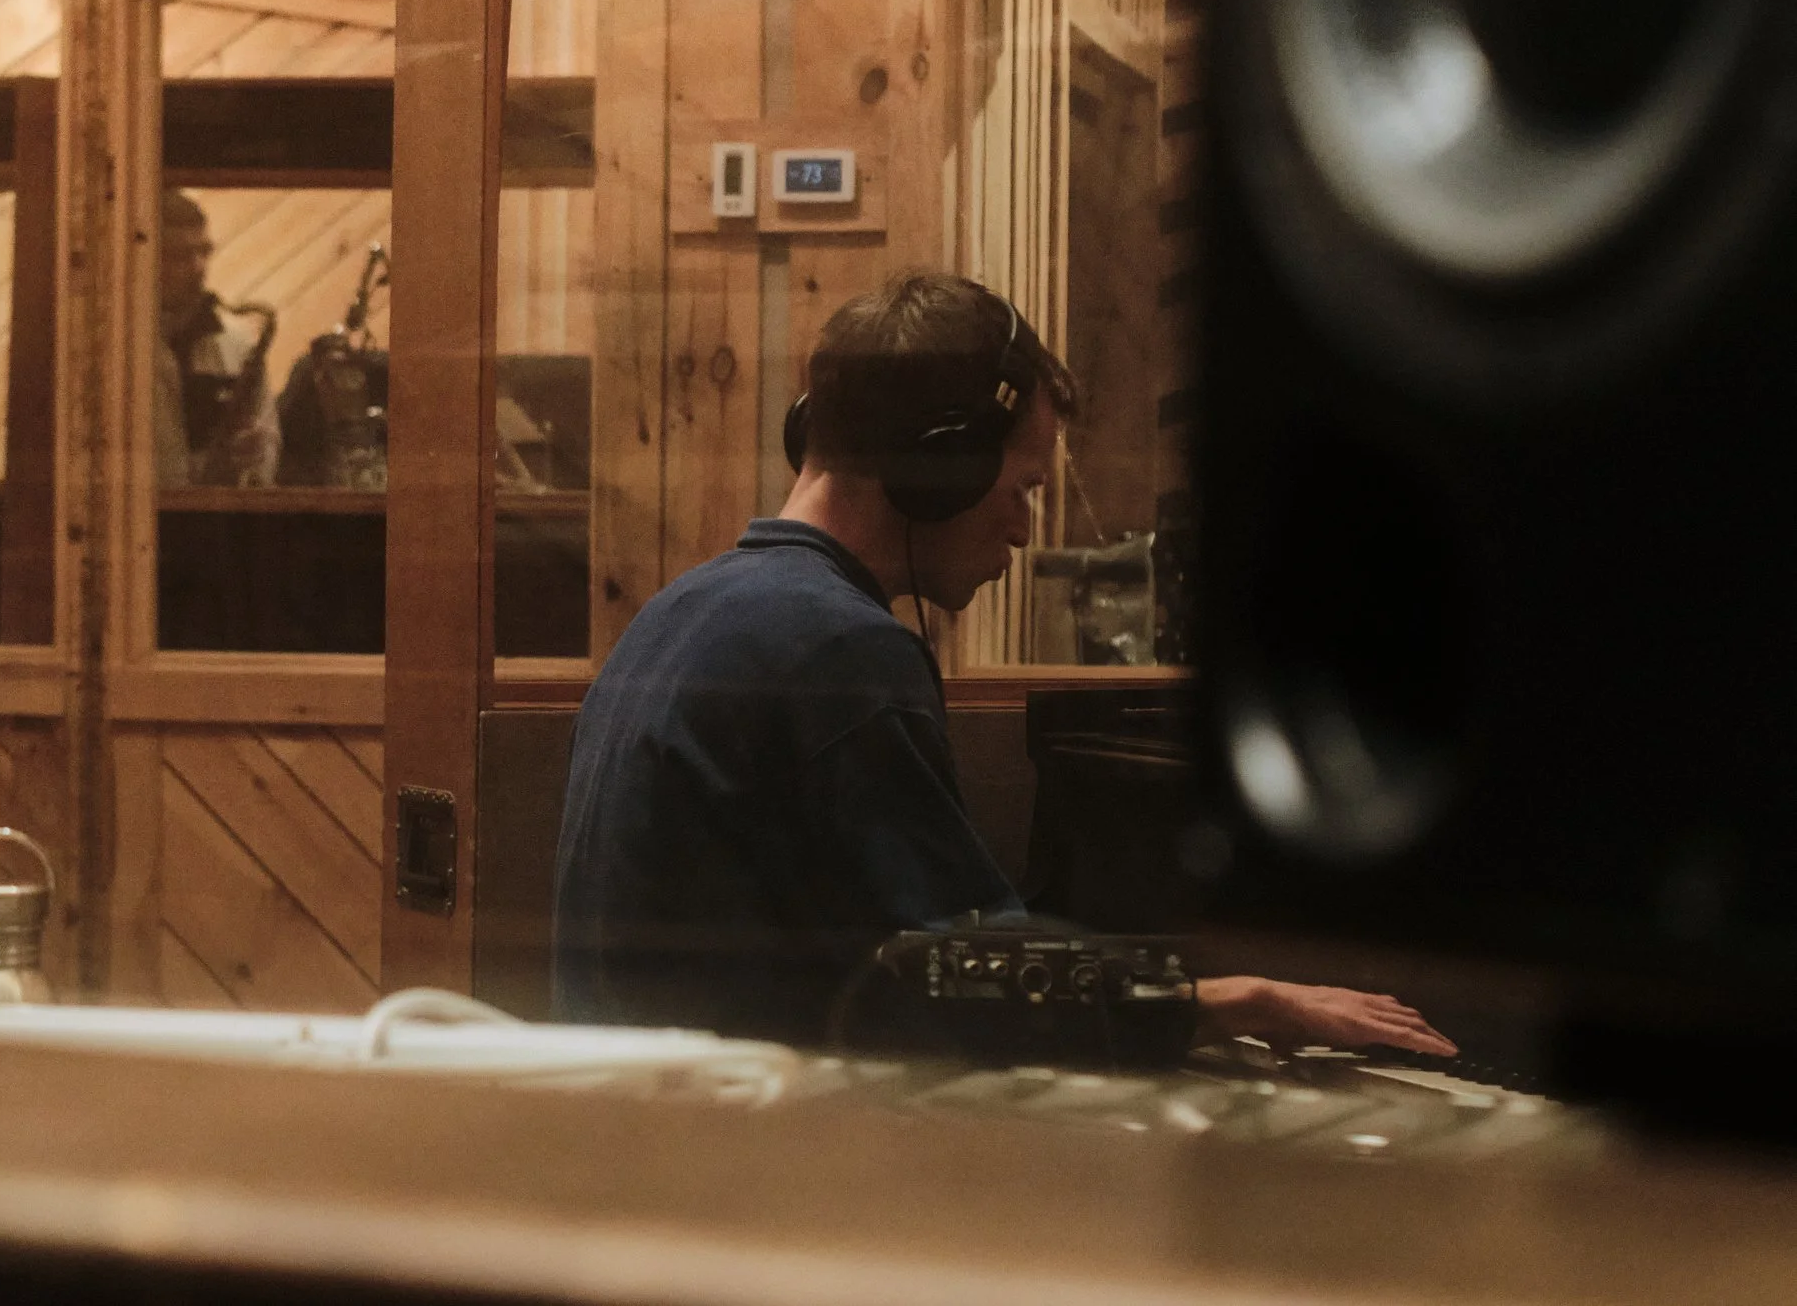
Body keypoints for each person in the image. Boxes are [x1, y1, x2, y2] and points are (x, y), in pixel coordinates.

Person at [550, 270, 1455, 1059]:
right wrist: (1234, 1000)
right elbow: (974, 988)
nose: (1025, 529)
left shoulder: (680, 611)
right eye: (1023, 488)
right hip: (751, 1186)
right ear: (937, 465)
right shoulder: (839, 652)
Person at [156, 190, 279, 487]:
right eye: (180, 255)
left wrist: (258, 451)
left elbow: (268, 435)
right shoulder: (120, 344)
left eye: (204, 252)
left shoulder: (236, 344)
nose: (199, 268)